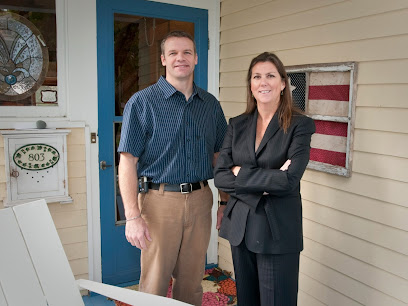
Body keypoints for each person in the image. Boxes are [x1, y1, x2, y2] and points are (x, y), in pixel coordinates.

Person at [117, 31, 228, 306]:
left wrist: (226, 201)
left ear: (196, 59)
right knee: (154, 282)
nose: (181, 58)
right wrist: (132, 216)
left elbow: (220, 157)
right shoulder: (142, 103)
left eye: (187, 52)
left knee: (191, 282)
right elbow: (127, 162)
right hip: (159, 202)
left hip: (202, 199)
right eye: (174, 53)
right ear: (164, 59)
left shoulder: (210, 105)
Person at [214, 52, 315, 306]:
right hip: (241, 227)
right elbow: (220, 177)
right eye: (257, 76)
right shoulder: (237, 124)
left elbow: (289, 181)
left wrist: (240, 172)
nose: (263, 82)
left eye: (270, 75)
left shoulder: (300, 125)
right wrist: (269, 180)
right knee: (247, 301)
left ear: (283, 83)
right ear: (250, 84)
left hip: (277, 230)